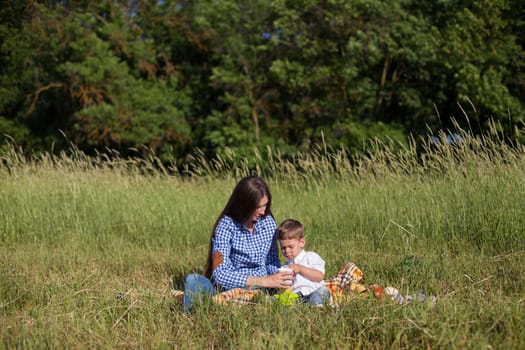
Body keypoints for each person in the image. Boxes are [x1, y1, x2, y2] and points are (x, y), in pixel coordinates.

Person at [183, 175, 294, 311]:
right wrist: (263, 280)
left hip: (262, 291)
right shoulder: (226, 225)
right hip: (229, 290)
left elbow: (272, 262)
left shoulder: (268, 222)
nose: (263, 211)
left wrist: (280, 277)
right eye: (258, 207)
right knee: (192, 281)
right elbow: (220, 274)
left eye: (265, 205)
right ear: (244, 205)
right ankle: (194, 317)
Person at [276, 218, 331, 305]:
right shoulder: (286, 266)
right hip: (297, 295)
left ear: (301, 242)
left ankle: (315, 308)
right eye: (283, 248)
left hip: (313, 290)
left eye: (291, 247)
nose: (287, 251)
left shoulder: (311, 257)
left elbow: (319, 276)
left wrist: (301, 269)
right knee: (279, 300)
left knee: (322, 292)